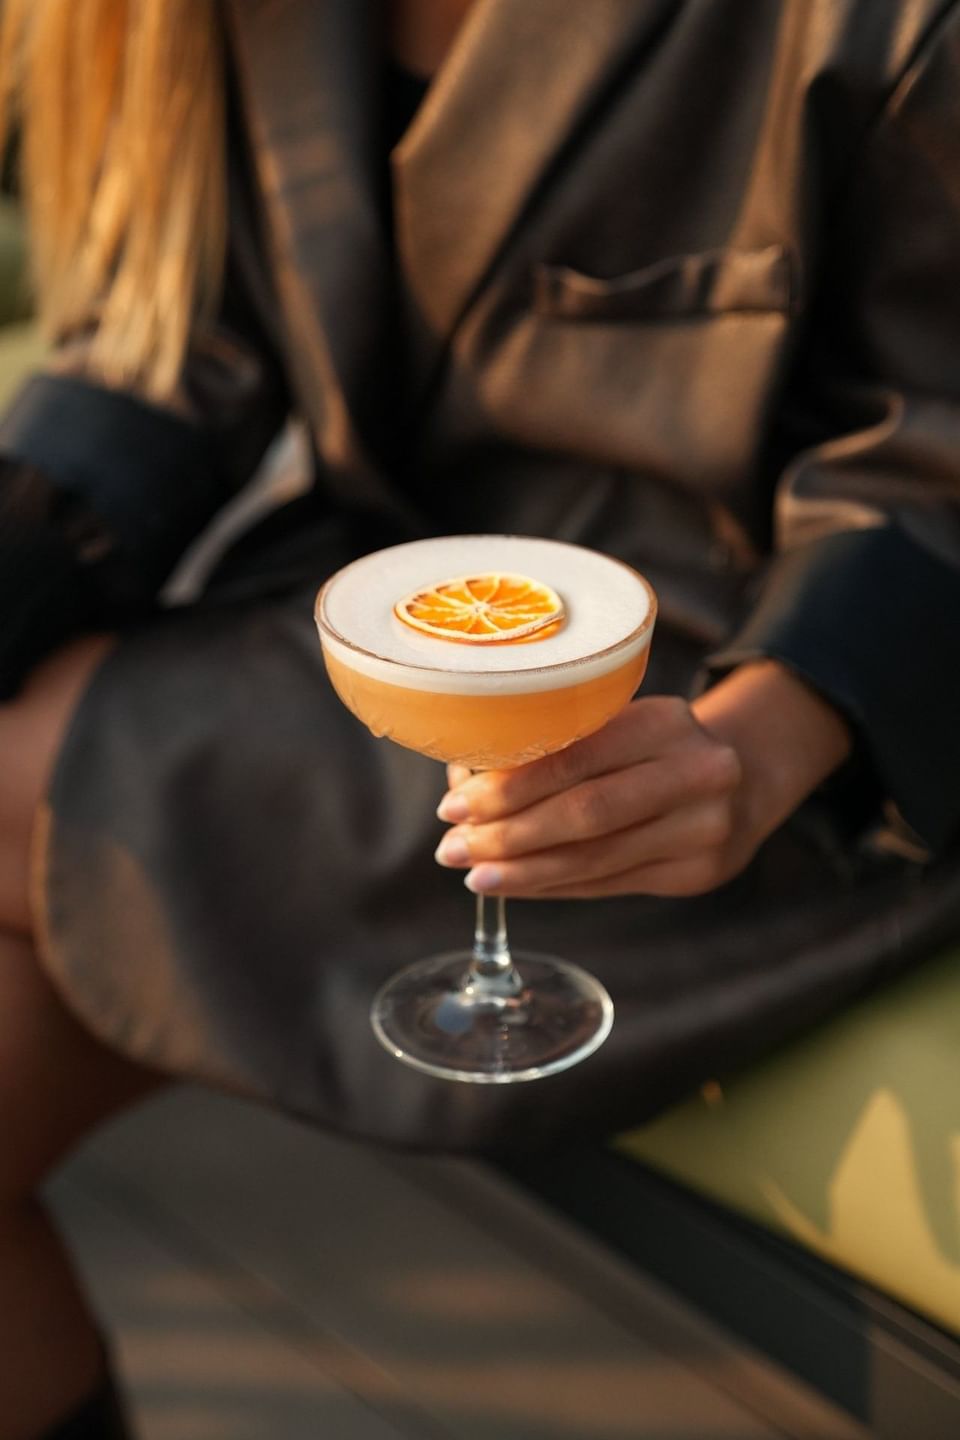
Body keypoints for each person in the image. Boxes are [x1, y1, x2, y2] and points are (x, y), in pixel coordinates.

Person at [2, 0, 960, 1433]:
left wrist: (762, 747)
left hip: (743, 739)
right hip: (373, 646)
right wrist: (30, 537)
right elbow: (173, 335)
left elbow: (936, 464)